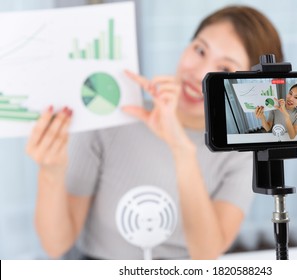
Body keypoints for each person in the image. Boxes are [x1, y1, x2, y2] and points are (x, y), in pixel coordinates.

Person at [26, 5, 284, 260]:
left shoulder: (240, 152)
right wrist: (51, 172)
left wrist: (180, 148)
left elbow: (206, 255)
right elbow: (55, 245)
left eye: (225, 69)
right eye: (200, 49)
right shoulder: (112, 117)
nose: (198, 74)